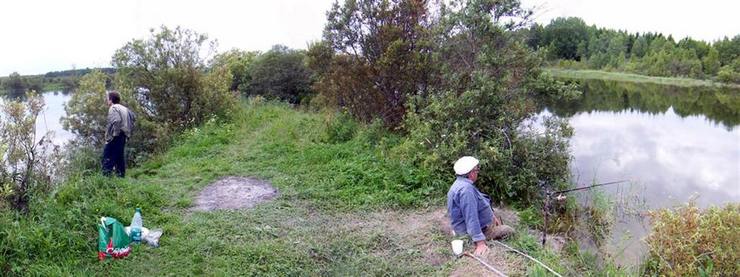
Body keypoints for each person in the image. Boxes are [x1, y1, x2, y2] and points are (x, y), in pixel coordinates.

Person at [447, 156, 514, 255]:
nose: (477, 173)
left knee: (498, 217)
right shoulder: (466, 190)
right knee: (509, 230)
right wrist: (480, 243)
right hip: (473, 230)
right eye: (477, 170)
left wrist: (492, 216)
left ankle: (492, 223)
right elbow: (471, 217)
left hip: (470, 225)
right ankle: (486, 238)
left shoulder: (460, 184)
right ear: (471, 173)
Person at [102, 91, 135, 177]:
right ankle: (121, 178)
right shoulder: (125, 109)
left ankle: (106, 180)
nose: (107, 101)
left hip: (117, 136)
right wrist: (128, 134)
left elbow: (116, 121)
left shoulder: (113, 108)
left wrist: (114, 135)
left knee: (107, 157)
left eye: (107, 99)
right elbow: (133, 118)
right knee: (119, 158)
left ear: (110, 100)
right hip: (123, 136)